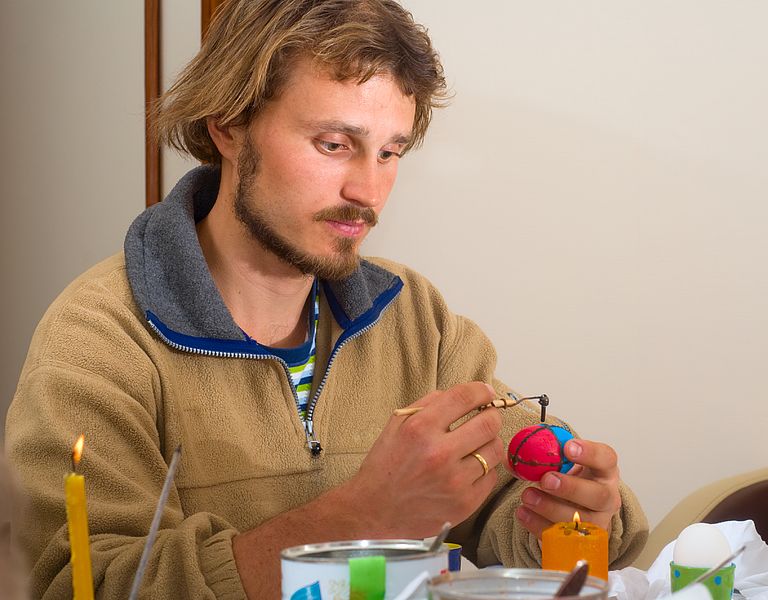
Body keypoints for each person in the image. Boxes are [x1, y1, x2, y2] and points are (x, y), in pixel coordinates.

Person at [4, 1, 648, 598]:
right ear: (228, 126)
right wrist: (361, 514)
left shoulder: (415, 319)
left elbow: (508, 514)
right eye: (334, 144)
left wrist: (570, 518)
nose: (369, 190)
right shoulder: (98, 339)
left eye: (390, 152)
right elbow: (81, 584)